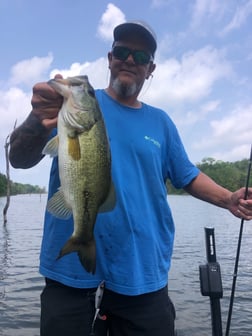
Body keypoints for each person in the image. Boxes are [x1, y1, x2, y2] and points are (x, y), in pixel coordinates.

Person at [9, 21, 252, 336]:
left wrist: (228, 198)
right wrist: (38, 120)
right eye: (122, 51)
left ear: (151, 68)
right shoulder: (70, 107)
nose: (130, 60)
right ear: (109, 58)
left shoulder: (162, 123)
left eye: (140, 56)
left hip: (141, 273)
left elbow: (188, 175)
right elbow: (19, 158)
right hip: (68, 275)